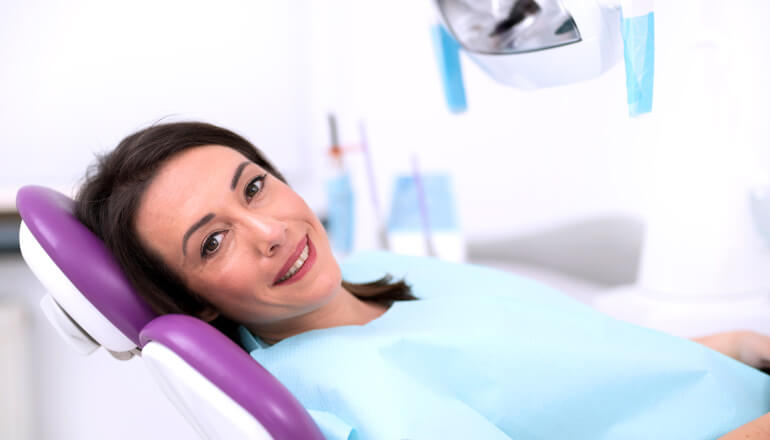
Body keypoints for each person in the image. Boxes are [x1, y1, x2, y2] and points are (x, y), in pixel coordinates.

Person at [76, 121, 770, 439]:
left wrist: (729, 347)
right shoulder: (356, 399)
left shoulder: (387, 272)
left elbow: (566, 374)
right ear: (193, 299)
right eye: (215, 240)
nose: (271, 231)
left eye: (254, 186)